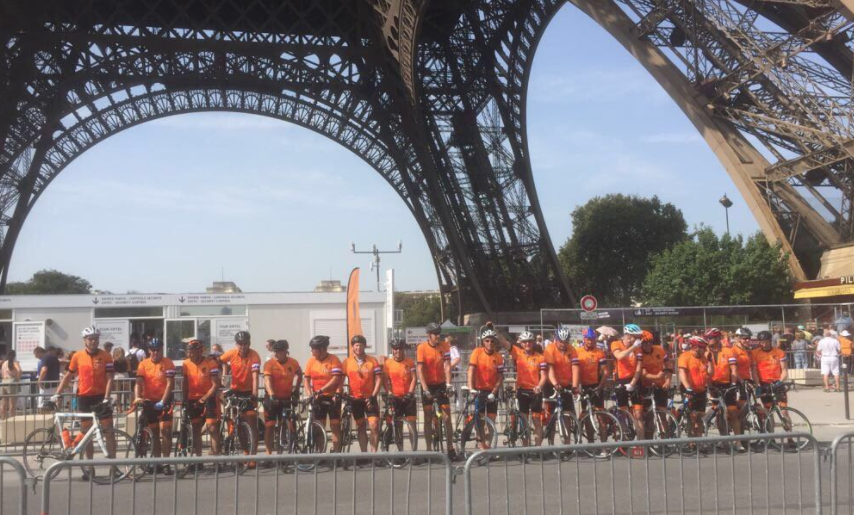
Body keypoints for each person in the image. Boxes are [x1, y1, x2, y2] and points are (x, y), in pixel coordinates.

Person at [52, 327, 117, 481]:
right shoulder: (77, 356)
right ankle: (89, 468)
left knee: (109, 431)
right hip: (84, 398)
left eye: (95, 338)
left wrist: (107, 397)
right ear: (85, 340)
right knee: (87, 434)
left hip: (101, 397)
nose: (93, 341)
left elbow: (110, 378)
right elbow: (68, 375)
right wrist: (57, 392)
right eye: (90, 338)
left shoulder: (106, 356)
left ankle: (114, 467)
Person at [133, 338, 176, 474]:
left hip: (165, 401)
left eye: (158, 350)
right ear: (149, 351)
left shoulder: (168, 363)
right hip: (149, 402)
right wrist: (137, 397)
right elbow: (138, 383)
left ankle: (166, 462)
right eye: (153, 350)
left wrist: (163, 401)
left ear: (161, 349)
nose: (155, 352)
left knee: (166, 432)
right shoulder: (143, 364)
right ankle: (157, 462)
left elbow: (170, 384)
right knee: (155, 434)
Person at [218, 331, 261, 462]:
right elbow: (217, 362)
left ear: (249, 343)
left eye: (245, 343)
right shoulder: (231, 353)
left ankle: (253, 456)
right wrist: (220, 382)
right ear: (237, 344)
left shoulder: (254, 356)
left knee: (252, 422)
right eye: (240, 344)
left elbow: (255, 377)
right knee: (239, 424)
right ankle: (245, 451)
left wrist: (254, 394)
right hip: (235, 391)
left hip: (249, 392)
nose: (243, 346)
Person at [416, 322, 455, 458]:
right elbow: (420, 370)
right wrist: (425, 389)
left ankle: (450, 448)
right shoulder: (421, 348)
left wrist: (449, 384)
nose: (438, 336)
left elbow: (448, 366)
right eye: (435, 334)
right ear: (428, 335)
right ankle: (428, 450)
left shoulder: (444, 346)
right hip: (428, 385)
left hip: (441, 384)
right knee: (427, 417)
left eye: (439, 333)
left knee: (447, 417)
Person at [503, 331, 546, 445]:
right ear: (521, 343)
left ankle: (538, 449)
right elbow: (504, 343)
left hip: (535, 391)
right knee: (524, 420)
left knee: (537, 420)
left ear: (533, 343)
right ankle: (525, 448)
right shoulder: (517, 352)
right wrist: (494, 330)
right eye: (525, 342)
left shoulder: (540, 357)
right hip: (522, 391)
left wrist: (539, 386)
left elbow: (544, 376)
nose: (528, 344)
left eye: (530, 341)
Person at [182, 339, 222, 460]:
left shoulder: (210, 363)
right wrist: (184, 399)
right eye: (188, 351)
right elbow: (185, 383)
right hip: (192, 398)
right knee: (196, 429)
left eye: (192, 352)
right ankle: (198, 459)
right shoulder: (186, 364)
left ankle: (216, 459)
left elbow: (216, 385)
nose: (189, 354)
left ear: (200, 352)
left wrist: (204, 399)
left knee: (212, 428)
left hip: (208, 398)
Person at [303, 335, 344, 452]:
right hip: (318, 398)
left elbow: (336, 379)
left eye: (313, 348)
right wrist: (310, 394)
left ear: (321, 349)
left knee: (335, 426)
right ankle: (321, 454)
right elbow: (306, 379)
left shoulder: (334, 360)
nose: (311, 351)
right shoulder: (311, 361)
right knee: (319, 427)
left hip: (332, 397)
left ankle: (337, 454)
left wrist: (321, 390)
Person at [262, 340, 301, 460]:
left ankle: (284, 448)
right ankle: (268, 454)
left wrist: (296, 389)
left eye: (278, 352)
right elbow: (267, 380)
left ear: (285, 352)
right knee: (270, 426)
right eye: (275, 352)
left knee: (287, 424)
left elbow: (300, 374)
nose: (276, 354)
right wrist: (272, 394)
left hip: (286, 397)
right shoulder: (270, 364)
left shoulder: (293, 363)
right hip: (272, 397)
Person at [342, 335, 382, 452]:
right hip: (355, 399)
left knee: (374, 425)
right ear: (353, 347)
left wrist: (373, 395)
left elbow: (379, 379)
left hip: (370, 398)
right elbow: (340, 380)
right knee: (361, 427)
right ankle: (364, 454)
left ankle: (373, 454)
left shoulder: (372, 361)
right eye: (356, 345)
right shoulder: (347, 362)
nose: (358, 347)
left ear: (365, 346)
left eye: (361, 345)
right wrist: (340, 393)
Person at [467, 329, 504, 450]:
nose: (489, 343)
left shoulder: (498, 357)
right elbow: (471, 371)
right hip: (479, 390)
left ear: (495, 343)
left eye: (492, 341)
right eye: (487, 341)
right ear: (483, 341)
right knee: (480, 421)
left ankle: (488, 447)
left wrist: (494, 392)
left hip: (492, 390)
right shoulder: (476, 352)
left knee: (491, 422)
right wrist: (471, 388)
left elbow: (500, 377)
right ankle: (481, 446)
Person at [574, 328, 609, 443]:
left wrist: (600, 387)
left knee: (601, 417)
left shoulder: (600, 352)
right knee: (587, 417)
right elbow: (574, 370)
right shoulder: (577, 352)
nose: (590, 342)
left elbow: (605, 372)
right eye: (588, 339)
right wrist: (577, 386)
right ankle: (591, 444)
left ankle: (603, 445)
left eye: (593, 340)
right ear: (584, 339)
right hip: (583, 386)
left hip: (596, 386)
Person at [611, 324, 644, 440]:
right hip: (620, 380)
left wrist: (633, 383)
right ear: (629, 336)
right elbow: (619, 356)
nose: (638, 339)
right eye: (636, 336)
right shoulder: (616, 344)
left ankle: (641, 443)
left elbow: (639, 368)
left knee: (638, 414)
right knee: (623, 413)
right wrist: (633, 348)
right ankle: (624, 440)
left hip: (634, 380)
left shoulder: (638, 347)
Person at [706, 328, 740, 437]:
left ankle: (738, 440)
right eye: (707, 338)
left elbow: (734, 370)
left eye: (710, 337)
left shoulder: (728, 351)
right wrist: (709, 386)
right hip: (713, 385)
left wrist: (734, 384)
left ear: (717, 338)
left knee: (733, 412)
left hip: (727, 384)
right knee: (718, 413)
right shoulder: (706, 352)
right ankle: (723, 438)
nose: (708, 340)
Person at [640, 329, 672, 439]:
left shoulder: (660, 350)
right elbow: (643, 374)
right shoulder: (639, 354)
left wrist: (668, 381)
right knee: (648, 417)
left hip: (660, 386)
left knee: (662, 414)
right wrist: (656, 377)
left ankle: (665, 441)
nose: (648, 344)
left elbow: (668, 367)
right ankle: (648, 442)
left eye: (650, 342)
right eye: (645, 342)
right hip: (645, 387)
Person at [543, 326, 579, 424]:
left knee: (567, 414)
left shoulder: (572, 349)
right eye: (561, 341)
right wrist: (555, 384)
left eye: (566, 342)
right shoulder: (550, 349)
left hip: (566, 384)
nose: (563, 344)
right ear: (556, 340)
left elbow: (575, 368)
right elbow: (550, 369)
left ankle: (567, 439)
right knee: (550, 416)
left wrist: (575, 386)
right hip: (551, 384)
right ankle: (551, 438)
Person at [383, 339, 418, 438]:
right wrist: (389, 392)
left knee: (412, 425)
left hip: (408, 397)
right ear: (392, 350)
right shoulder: (387, 363)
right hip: (395, 398)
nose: (397, 351)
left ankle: (414, 452)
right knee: (398, 426)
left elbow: (414, 378)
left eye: (400, 348)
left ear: (403, 349)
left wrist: (410, 393)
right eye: (395, 349)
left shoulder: (410, 362)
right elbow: (385, 380)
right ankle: (400, 451)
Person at [678, 336, 712, 438]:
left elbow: (710, 373)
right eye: (703, 348)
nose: (705, 350)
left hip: (701, 390)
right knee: (692, 416)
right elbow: (682, 374)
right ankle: (692, 441)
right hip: (688, 390)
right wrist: (688, 388)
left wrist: (710, 361)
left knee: (700, 417)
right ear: (696, 347)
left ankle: (699, 441)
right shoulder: (685, 356)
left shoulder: (704, 358)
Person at [751, 330, 789, 409]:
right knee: (767, 409)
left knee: (784, 409)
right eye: (762, 342)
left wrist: (780, 382)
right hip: (764, 384)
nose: (764, 344)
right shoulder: (754, 353)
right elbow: (754, 371)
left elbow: (784, 370)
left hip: (777, 383)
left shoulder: (779, 352)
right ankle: (768, 421)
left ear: (770, 340)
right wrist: (758, 384)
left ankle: (786, 421)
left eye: (766, 342)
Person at [0, 350, 22, 418]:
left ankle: (2, 418)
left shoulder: (4, 363)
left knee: (4, 403)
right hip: (12, 382)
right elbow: (19, 370)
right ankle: (12, 418)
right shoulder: (14, 362)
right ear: (14, 355)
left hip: (3, 382)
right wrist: (17, 379)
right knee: (12, 403)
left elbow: (1, 373)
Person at [447, 335, 463, 409]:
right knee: (453, 389)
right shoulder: (449, 349)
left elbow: (457, 358)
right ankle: (457, 406)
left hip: (455, 371)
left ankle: (460, 406)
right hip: (452, 371)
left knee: (457, 389)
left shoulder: (453, 349)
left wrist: (448, 367)